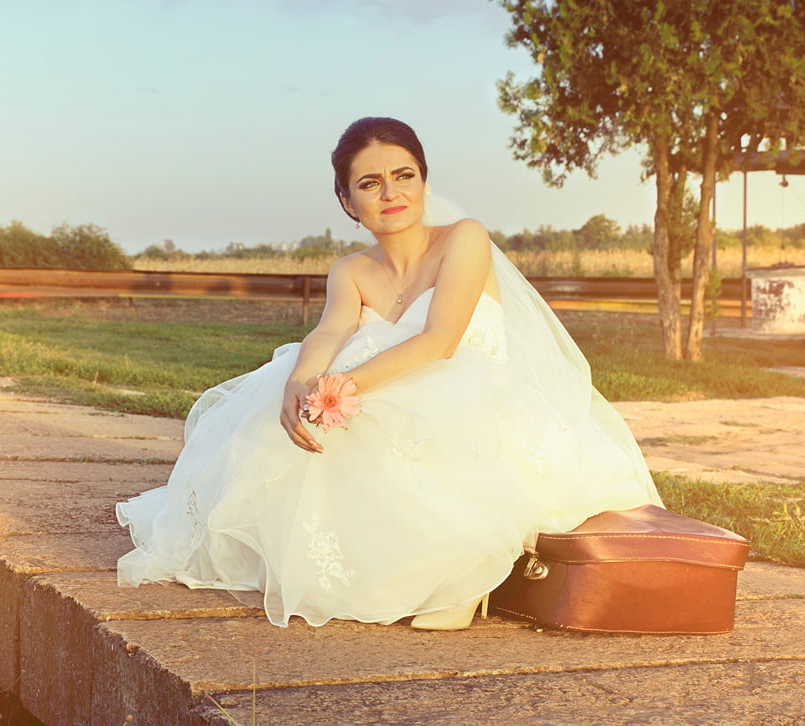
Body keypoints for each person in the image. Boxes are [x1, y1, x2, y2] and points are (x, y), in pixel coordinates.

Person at [115, 117, 662, 629]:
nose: (390, 193)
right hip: (388, 390)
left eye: (404, 176)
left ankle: (462, 573)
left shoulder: (463, 238)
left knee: (397, 408)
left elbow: (440, 341)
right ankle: (376, 562)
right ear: (346, 200)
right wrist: (301, 383)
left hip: (477, 394)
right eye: (370, 183)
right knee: (303, 410)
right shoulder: (351, 270)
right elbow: (329, 333)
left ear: (424, 182)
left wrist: (345, 388)